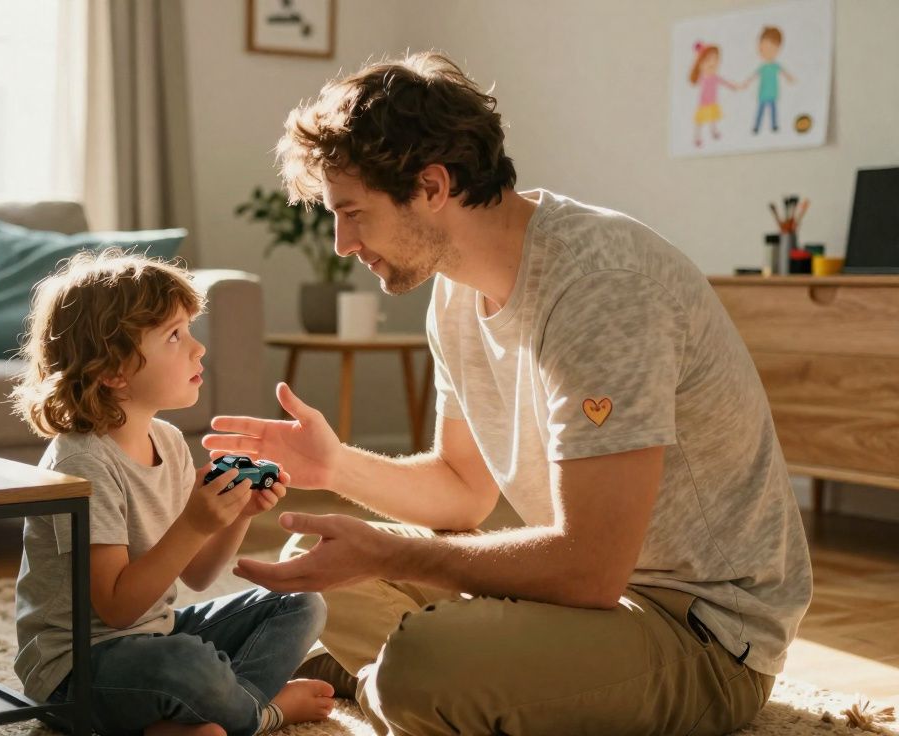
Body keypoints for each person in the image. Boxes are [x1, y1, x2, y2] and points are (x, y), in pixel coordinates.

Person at [205, 52, 812, 735]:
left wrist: (389, 553)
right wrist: (334, 466)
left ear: (431, 185)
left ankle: (400, 683)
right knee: (312, 576)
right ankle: (436, 684)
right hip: (586, 609)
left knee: (422, 664)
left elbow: (590, 569)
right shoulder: (455, 296)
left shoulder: (601, 285)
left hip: (699, 635)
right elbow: (464, 489)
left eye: (353, 213)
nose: (343, 243)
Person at [10, 250, 335, 736]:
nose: (198, 349)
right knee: (184, 661)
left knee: (300, 601)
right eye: (175, 336)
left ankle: (181, 721)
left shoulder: (166, 441)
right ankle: (261, 712)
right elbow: (117, 608)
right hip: (76, 671)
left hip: (153, 637)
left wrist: (237, 514)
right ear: (113, 370)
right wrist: (195, 523)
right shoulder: (82, 462)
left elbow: (200, 574)